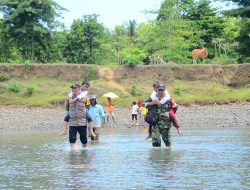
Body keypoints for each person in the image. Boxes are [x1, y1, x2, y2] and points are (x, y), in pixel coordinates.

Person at [66, 84, 95, 150]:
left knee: (83, 139)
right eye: (72, 88)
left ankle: (85, 152)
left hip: (82, 122)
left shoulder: (85, 98)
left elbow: (88, 107)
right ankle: (73, 153)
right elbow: (67, 107)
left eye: (75, 88)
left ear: (79, 89)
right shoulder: (69, 98)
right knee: (72, 139)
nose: (73, 89)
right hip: (72, 122)